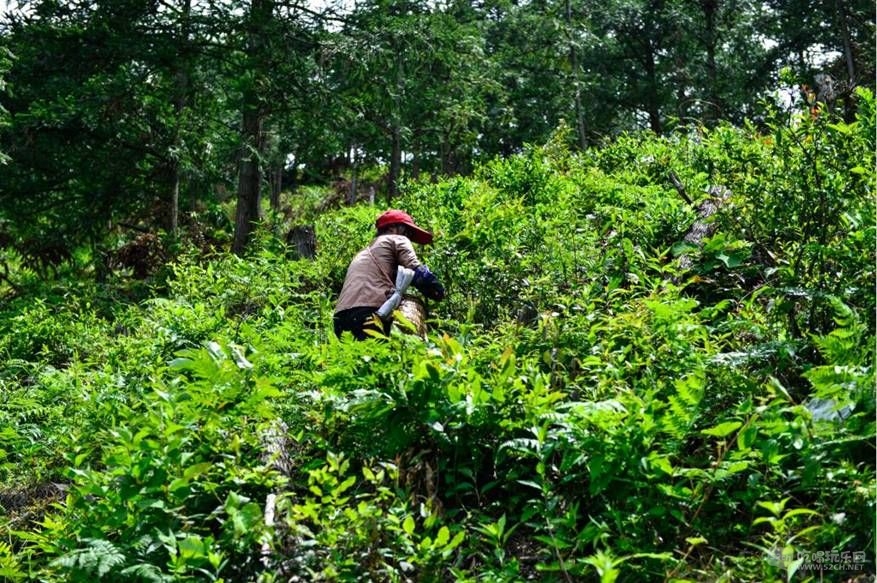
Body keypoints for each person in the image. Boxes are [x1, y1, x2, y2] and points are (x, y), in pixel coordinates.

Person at [334, 209, 445, 340]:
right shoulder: (397, 239)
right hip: (369, 313)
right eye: (406, 231)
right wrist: (437, 290)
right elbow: (416, 272)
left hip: (340, 318)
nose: (408, 236)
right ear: (392, 228)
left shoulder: (366, 251)